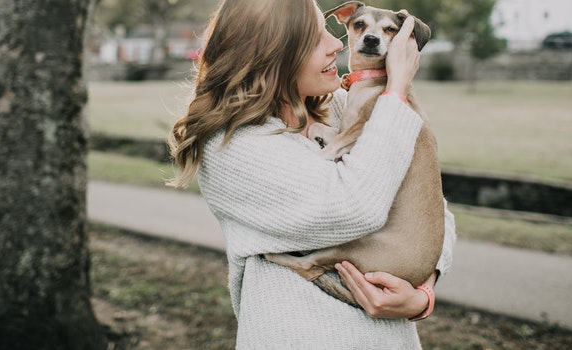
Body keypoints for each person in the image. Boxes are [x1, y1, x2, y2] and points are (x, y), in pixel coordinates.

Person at [167, 0, 457, 348]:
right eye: (316, 37)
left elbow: (431, 209)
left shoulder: (340, 108)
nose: (337, 42)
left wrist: (423, 293)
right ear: (273, 54)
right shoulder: (233, 147)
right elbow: (356, 206)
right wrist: (395, 91)